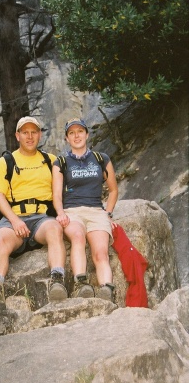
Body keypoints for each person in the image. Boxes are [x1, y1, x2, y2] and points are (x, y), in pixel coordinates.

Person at [0, 116, 67, 303]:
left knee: (54, 230)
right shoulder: (6, 161)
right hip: (14, 218)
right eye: (25, 132)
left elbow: (61, 191)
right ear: (17, 135)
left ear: (40, 135)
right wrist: (15, 220)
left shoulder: (50, 160)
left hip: (41, 218)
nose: (29, 136)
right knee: (1, 239)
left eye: (33, 132)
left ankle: (57, 280)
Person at [52, 118, 118, 301]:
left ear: (87, 134)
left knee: (100, 252)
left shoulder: (100, 159)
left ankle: (106, 290)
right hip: (72, 212)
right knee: (78, 237)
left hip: (96, 211)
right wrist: (60, 213)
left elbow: (113, 190)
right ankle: (82, 284)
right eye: (71, 133)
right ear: (67, 138)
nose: (76, 136)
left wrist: (108, 213)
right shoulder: (61, 162)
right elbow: (56, 194)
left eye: (80, 131)